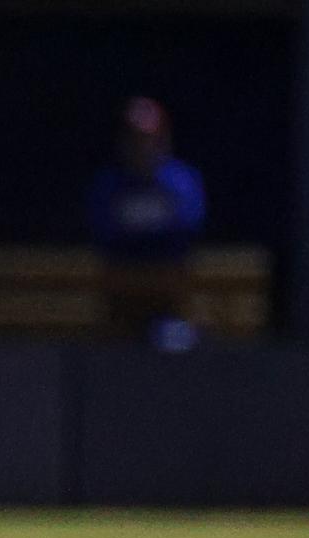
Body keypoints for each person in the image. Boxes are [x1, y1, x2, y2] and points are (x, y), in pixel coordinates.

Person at [87, 97, 205, 351]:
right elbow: (103, 230)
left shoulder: (181, 182)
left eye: (148, 137)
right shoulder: (108, 185)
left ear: (163, 139)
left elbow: (188, 227)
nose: (142, 146)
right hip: (120, 293)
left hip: (169, 291)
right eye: (135, 138)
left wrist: (141, 233)